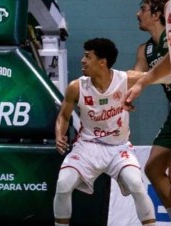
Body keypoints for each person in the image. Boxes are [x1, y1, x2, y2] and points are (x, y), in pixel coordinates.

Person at [53, 38, 155, 226]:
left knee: (137, 186)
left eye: (87, 56)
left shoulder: (125, 79)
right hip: (87, 147)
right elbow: (64, 116)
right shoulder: (76, 87)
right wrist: (60, 134)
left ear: (102, 61)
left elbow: (156, 75)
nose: (83, 61)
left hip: (119, 148)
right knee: (63, 185)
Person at [126, 0, 171, 222]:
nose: (137, 14)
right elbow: (170, 63)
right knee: (154, 169)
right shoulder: (170, 12)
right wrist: (138, 83)